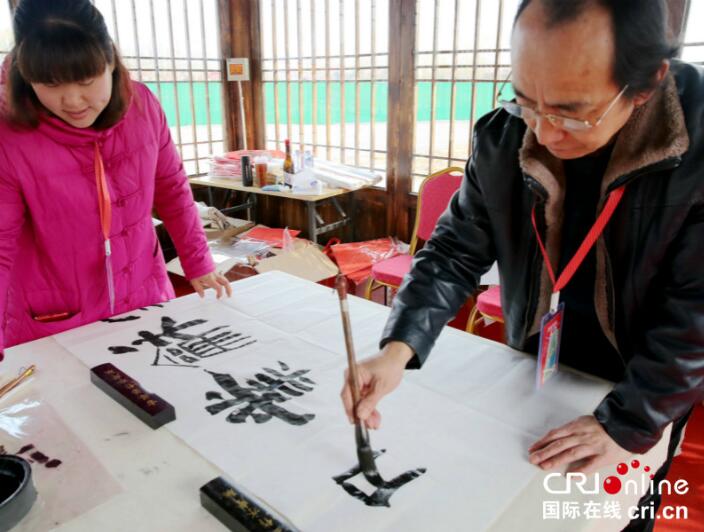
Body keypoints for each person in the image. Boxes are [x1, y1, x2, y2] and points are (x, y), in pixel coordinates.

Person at [341, 0, 703, 529]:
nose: (544, 130)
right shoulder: (506, 133)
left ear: (646, 84)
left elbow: (697, 312)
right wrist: (397, 350)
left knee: (616, 510)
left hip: (645, 376)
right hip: (538, 356)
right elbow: (451, 251)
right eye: (526, 99)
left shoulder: (695, 146)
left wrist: (628, 423)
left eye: (572, 111)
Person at [0, 0, 231, 360]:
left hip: (143, 293)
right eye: (49, 83)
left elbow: (172, 187)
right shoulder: (8, 133)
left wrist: (198, 262)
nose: (72, 100)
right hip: (55, 315)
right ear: (26, 76)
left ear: (109, 60)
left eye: (85, 80)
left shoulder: (143, 105)